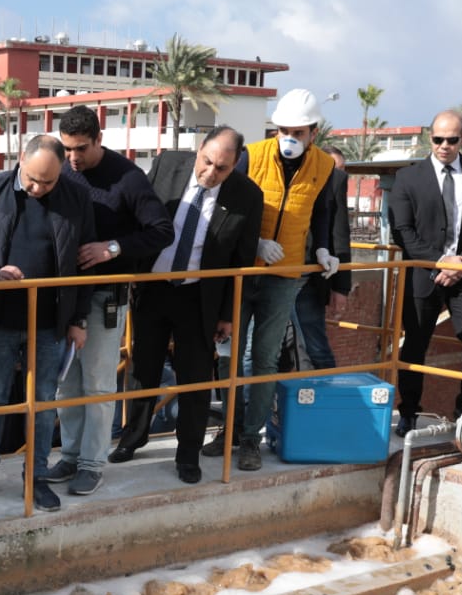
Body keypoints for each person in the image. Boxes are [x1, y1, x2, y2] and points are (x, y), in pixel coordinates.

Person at [110, 127, 263, 481]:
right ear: (199, 150)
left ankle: (188, 454)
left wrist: (227, 315)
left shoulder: (247, 196)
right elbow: (136, 218)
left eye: (221, 168)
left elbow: (241, 262)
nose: (210, 172)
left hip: (199, 297)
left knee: (195, 378)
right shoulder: (167, 165)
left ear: (235, 165)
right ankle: (133, 437)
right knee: (143, 368)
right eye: (206, 162)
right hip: (152, 287)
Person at [46, 105, 174, 497]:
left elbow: (162, 231)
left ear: (99, 139)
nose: (73, 157)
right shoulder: (60, 168)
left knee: (98, 384)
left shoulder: (128, 178)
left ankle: (91, 464)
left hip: (106, 296)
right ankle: (71, 456)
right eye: (67, 148)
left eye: (81, 148)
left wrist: (113, 248)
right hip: (64, 295)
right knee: (66, 385)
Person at [0, 134, 94, 511]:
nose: (38, 188)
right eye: (33, 179)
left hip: (51, 323)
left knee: (43, 402)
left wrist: (78, 319)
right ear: (21, 159)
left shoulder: (76, 197)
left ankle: (35, 475)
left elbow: (84, 262)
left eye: (48, 182)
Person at [224, 88, 346, 471]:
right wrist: (255, 243)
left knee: (265, 359)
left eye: (298, 132)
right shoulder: (252, 156)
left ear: (313, 133)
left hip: (285, 274)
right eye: (283, 131)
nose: (289, 139)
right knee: (231, 358)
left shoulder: (324, 166)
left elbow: (323, 213)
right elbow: (228, 207)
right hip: (244, 270)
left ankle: (250, 438)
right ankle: (228, 430)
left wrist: (323, 250)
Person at [387, 110, 462, 435]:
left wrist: (461, 263)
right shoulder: (408, 177)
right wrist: (441, 261)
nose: (444, 146)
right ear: (430, 138)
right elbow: (402, 230)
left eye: (451, 140)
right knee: (415, 344)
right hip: (424, 273)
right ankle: (408, 411)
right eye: (438, 139)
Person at [287, 146, 351, 373]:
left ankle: (328, 390)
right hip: (280, 270)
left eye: (342, 168)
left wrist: (341, 286)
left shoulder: (336, 181)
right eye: (334, 167)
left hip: (312, 274)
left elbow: (340, 233)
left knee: (313, 342)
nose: (338, 173)